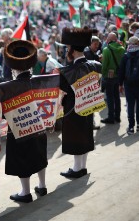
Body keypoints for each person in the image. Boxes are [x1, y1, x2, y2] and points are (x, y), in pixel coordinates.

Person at [1, 40, 48, 203]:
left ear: (13, 68)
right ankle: (42, 186)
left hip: (18, 128)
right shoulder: (41, 80)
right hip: (40, 125)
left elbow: (1, 112)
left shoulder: (7, 86)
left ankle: (25, 192)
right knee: (40, 153)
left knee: (22, 158)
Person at [59, 27, 102, 178]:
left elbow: (63, 88)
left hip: (73, 108)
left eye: (68, 48)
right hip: (89, 105)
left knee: (76, 136)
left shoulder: (69, 70)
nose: (66, 51)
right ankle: (82, 167)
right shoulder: (94, 64)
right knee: (85, 133)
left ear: (72, 50)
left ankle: (77, 169)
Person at [100, 32, 125, 124]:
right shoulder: (122, 49)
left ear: (109, 40)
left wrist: (102, 76)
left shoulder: (106, 50)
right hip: (118, 76)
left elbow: (104, 66)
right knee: (117, 96)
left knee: (110, 97)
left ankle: (111, 117)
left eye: (107, 38)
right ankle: (117, 116)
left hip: (108, 77)